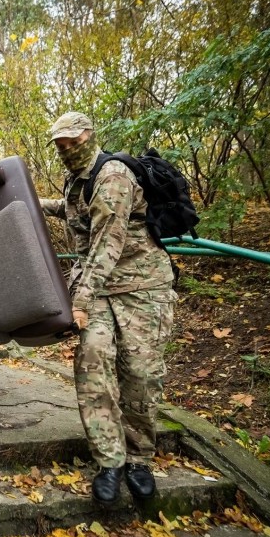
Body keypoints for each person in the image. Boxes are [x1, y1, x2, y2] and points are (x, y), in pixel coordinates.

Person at [40, 112, 178, 504]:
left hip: (142, 288)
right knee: (92, 364)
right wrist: (35, 203)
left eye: (72, 140)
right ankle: (109, 460)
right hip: (99, 290)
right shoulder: (78, 180)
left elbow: (106, 245)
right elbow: (75, 210)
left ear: (89, 134)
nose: (67, 149)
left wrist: (78, 304)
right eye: (60, 145)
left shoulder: (114, 175)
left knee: (139, 374)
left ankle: (139, 459)